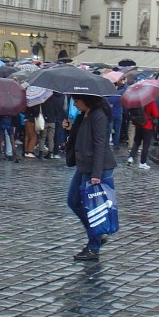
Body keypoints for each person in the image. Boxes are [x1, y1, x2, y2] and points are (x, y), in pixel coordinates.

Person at [63, 94, 117, 261]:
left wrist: (96, 174)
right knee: (73, 201)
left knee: (93, 208)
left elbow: (100, 144)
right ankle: (98, 235)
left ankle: (93, 248)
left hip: (96, 167)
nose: (75, 104)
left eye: (77, 101)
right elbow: (82, 136)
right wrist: (70, 128)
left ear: (87, 101)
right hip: (83, 165)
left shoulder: (98, 115)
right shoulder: (82, 115)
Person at [127, 100, 158, 170]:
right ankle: (143, 163)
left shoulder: (137, 101)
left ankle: (131, 157)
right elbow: (156, 114)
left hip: (138, 124)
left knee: (137, 142)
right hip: (147, 125)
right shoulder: (150, 101)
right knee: (146, 145)